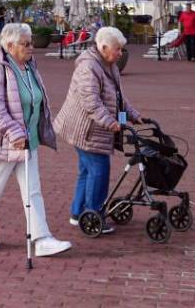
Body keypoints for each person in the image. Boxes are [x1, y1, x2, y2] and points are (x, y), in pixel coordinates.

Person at [0, 23, 71, 257]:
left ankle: (42, 238)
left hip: (29, 141)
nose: (31, 47)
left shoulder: (29, 66)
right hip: (4, 142)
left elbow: (36, 99)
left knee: (33, 191)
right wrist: (14, 132)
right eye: (26, 44)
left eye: (31, 42)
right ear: (9, 46)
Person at [54, 27, 145, 232]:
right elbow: (91, 102)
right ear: (103, 47)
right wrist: (110, 122)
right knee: (99, 171)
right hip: (86, 130)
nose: (120, 53)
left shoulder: (107, 64)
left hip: (91, 128)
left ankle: (79, 213)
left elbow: (117, 96)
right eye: (118, 49)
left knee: (87, 171)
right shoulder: (88, 67)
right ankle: (94, 215)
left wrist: (133, 114)